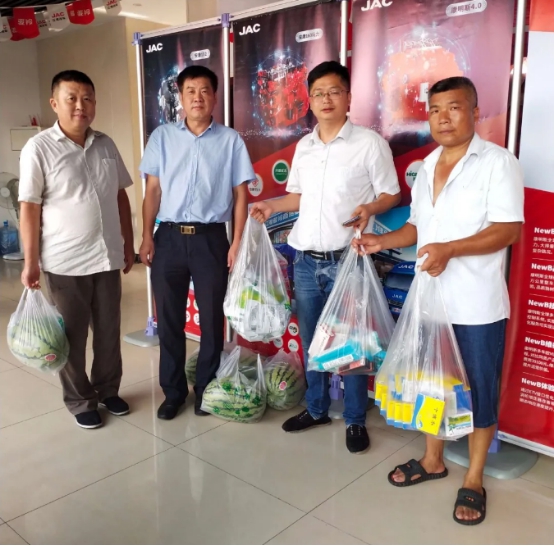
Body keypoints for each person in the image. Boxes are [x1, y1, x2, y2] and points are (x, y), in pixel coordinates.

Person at [353, 76, 524, 524]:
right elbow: (417, 228)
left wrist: (452, 249)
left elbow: (508, 229)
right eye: (434, 110)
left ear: (475, 112)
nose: (443, 118)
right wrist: (381, 241)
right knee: (431, 383)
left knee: (479, 391)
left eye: (454, 107)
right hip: (429, 301)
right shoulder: (427, 166)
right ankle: (432, 460)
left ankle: (474, 480)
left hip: (476, 305)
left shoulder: (498, 163)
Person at [251, 61, 401, 454]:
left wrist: (370, 208)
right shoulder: (305, 147)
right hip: (305, 260)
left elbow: (392, 194)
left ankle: (354, 418)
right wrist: (271, 205)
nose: (326, 99)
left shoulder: (369, 144)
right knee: (312, 340)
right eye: (318, 93)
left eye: (334, 91)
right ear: (310, 100)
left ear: (348, 97)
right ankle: (316, 408)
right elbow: (298, 197)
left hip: (348, 260)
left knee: (352, 342)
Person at [19, 70, 136, 430]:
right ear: (55, 103)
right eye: (72, 98)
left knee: (108, 332)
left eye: (87, 98)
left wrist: (128, 242)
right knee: (71, 337)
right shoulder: (39, 148)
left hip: (106, 258)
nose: (80, 106)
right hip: (64, 263)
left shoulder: (106, 144)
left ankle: (107, 389)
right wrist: (30, 261)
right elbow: (29, 207)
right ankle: (80, 400)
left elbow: (120, 195)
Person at [139, 65, 255, 420]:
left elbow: (241, 195)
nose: (197, 97)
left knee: (211, 321)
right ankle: (173, 393)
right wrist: (146, 236)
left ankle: (206, 390)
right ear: (181, 96)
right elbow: (152, 191)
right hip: (168, 238)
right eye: (190, 90)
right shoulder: (162, 137)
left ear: (215, 97)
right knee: (169, 319)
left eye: (205, 90)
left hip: (210, 240)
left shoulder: (231, 141)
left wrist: (236, 242)